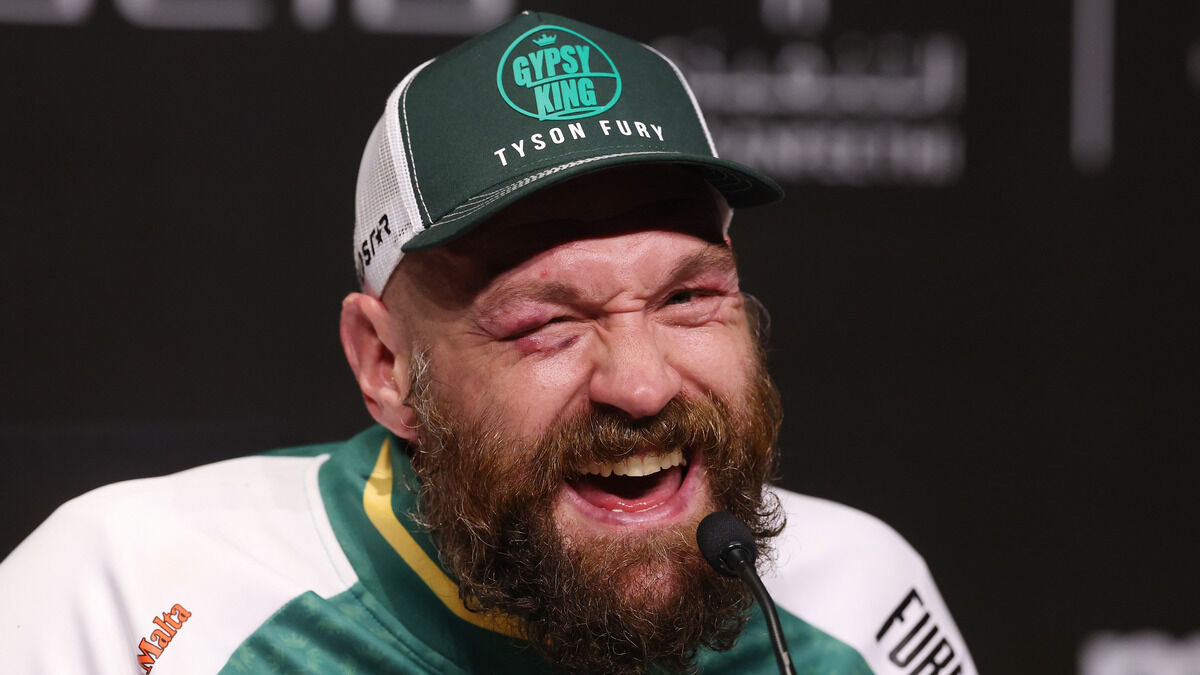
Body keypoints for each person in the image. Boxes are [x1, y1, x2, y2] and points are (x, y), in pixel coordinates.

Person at [0, 11, 976, 675]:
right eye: (547, 321)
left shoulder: (855, 607)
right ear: (386, 367)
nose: (640, 384)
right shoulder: (128, 602)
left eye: (687, 298)